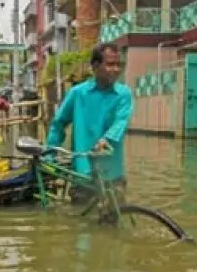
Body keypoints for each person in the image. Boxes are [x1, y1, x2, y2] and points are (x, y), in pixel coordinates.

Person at [45, 42, 133, 201]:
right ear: (95, 66)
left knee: (115, 218)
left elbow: (121, 121)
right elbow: (58, 124)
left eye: (118, 64)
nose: (116, 69)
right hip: (82, 171)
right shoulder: (77, 93)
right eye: (110, 64)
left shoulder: (123, 94)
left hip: (112, 171)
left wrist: (107, 139)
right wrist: (49, 155)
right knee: (81, 221)